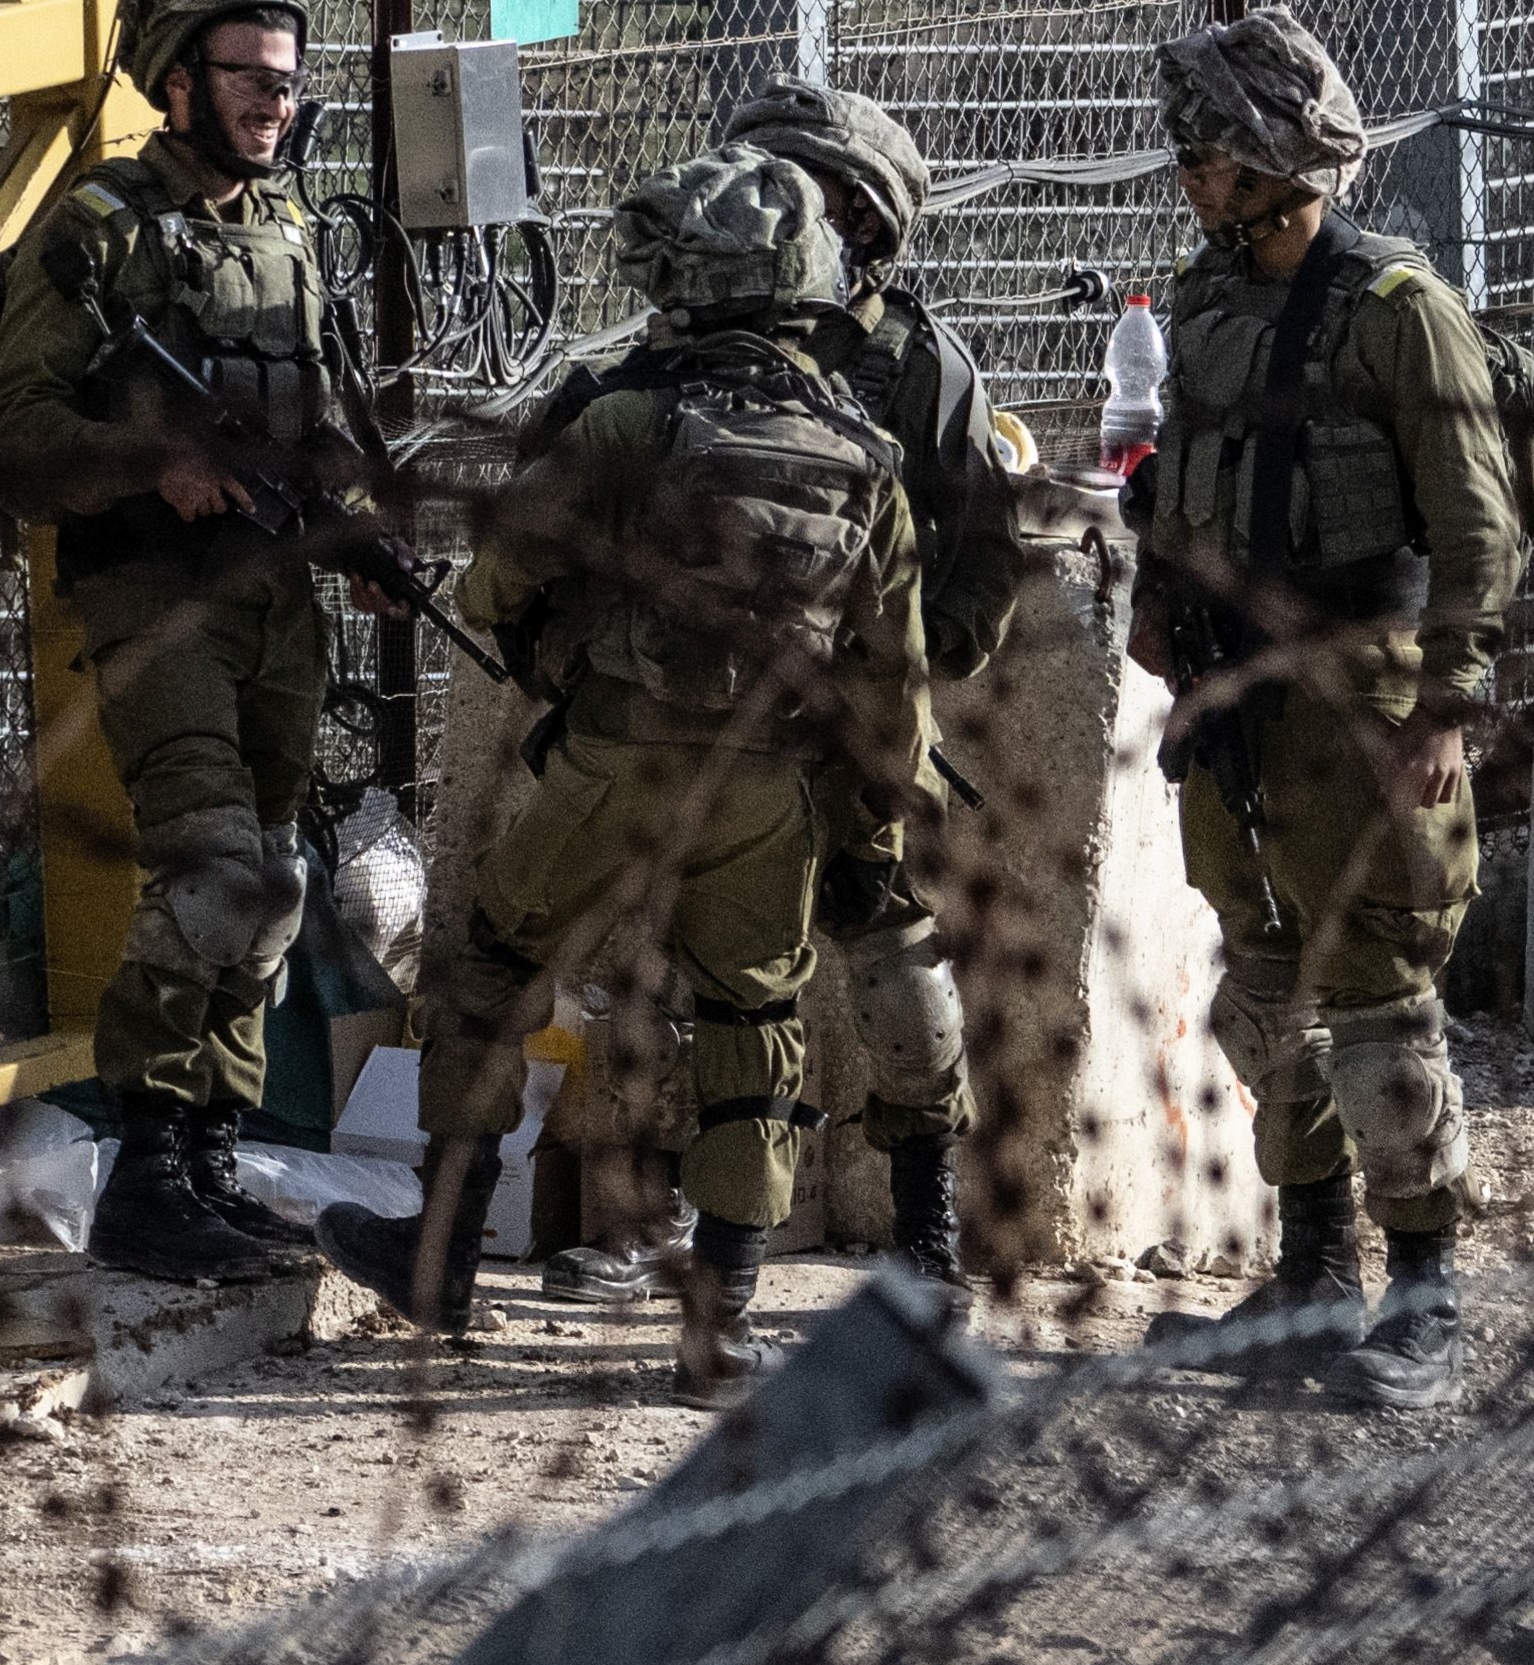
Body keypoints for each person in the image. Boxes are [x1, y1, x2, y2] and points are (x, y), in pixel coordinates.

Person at [324, 149, 929, 1399]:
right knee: (754, 1028)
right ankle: (723, 1319)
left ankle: (438, 1255)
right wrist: (870, 825)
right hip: (768, 793)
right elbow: (894, 685)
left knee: (492, 964)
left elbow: (496, 582)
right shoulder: (862, 452)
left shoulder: (626, 420)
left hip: (612, 765)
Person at [1127, 3, 1527, 1413]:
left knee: (1374, 1001)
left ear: (1274, 158)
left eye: (1209, 151)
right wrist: (1154, 596)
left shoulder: (1396, 312)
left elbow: (1477, 528)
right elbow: (1179, 472)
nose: (1187, 173)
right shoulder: (1204, 296)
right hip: (1235, 699)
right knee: (1261, 986)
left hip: (1363, 696)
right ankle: (1307, 1272)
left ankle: (1422, 1296)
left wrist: (1449, 702)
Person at [0, 0, 358, 1286]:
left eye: (285, 78)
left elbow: (318, 418)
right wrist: (154, 466)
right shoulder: (97, 231)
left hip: (273, 596)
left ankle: (204, 1154)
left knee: (270, 888)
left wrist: (351, 531)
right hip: (156, 598)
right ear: (178, 76)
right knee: (209, 870)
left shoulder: (291, 229)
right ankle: (143, 1170)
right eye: (246, 75)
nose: (271, 101)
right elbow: (11, 440)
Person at [715, 72, 1038, 1309]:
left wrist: (911, 672)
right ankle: (725, 1256)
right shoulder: (714, 338)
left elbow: (978, 543)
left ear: (864, 215)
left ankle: (923, 1241)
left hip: (855, 734)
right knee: (734, 985)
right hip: (726, 727)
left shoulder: (912, 361)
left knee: (898, 967)